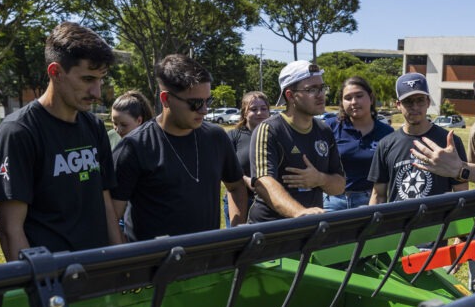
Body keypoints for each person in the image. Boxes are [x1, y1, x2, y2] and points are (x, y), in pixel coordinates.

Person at [0, 21, 122, 260]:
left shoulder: (94, 126)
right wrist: (37, 286)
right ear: (55, 72)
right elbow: (11, 230)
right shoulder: (18, 132)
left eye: (101, 79)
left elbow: (105, 201)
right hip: (52, 279)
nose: (97, 92)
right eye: (87, 79)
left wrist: (120, 262)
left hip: (97, 272)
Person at [112, 55, 246, 240]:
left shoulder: (216, 137)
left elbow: (236, 186)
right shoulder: (134, 146)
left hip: (207, 262)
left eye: (209, 101)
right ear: (166, 99)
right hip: (154, 265)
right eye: (196, 103)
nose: (204, 110)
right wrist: (125, 260)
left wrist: (236, 231)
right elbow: (110, 217)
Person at [248, 60, 345, 222]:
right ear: (290, 95)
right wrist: (300, 213)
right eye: (311, 89)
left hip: (309, 231)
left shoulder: (324, 130)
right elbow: (263, 182)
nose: (320, 95)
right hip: (270, 232)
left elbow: (340, 185)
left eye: (322, 88)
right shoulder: (269, 129)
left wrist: (320, 179)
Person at [369, 73, 468, 203]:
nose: (415, 107)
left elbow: (461, 193)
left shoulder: (450, 142)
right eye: (408, 101)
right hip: (398, 221)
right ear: (398, 104)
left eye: (420, 100)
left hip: (438, 221)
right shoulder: (386, 144)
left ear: (428, 102)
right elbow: (378, 195)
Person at [323, 76, 394, 211]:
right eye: (348, 98)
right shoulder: (329, 128)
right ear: (342, 102)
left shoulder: (387, 133)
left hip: (370, 201)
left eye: (359, 96)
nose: (354, 102)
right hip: (333, 202)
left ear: (371, 98)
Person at [224, 90, 270, 226]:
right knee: (237, 243)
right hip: (239, 199)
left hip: (268, 201)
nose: (260, 113)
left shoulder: (276, 135)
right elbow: (226, 170)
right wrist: (247, 180)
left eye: (263, 108)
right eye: (253, 109)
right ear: (244, 112)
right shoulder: (233, 136)